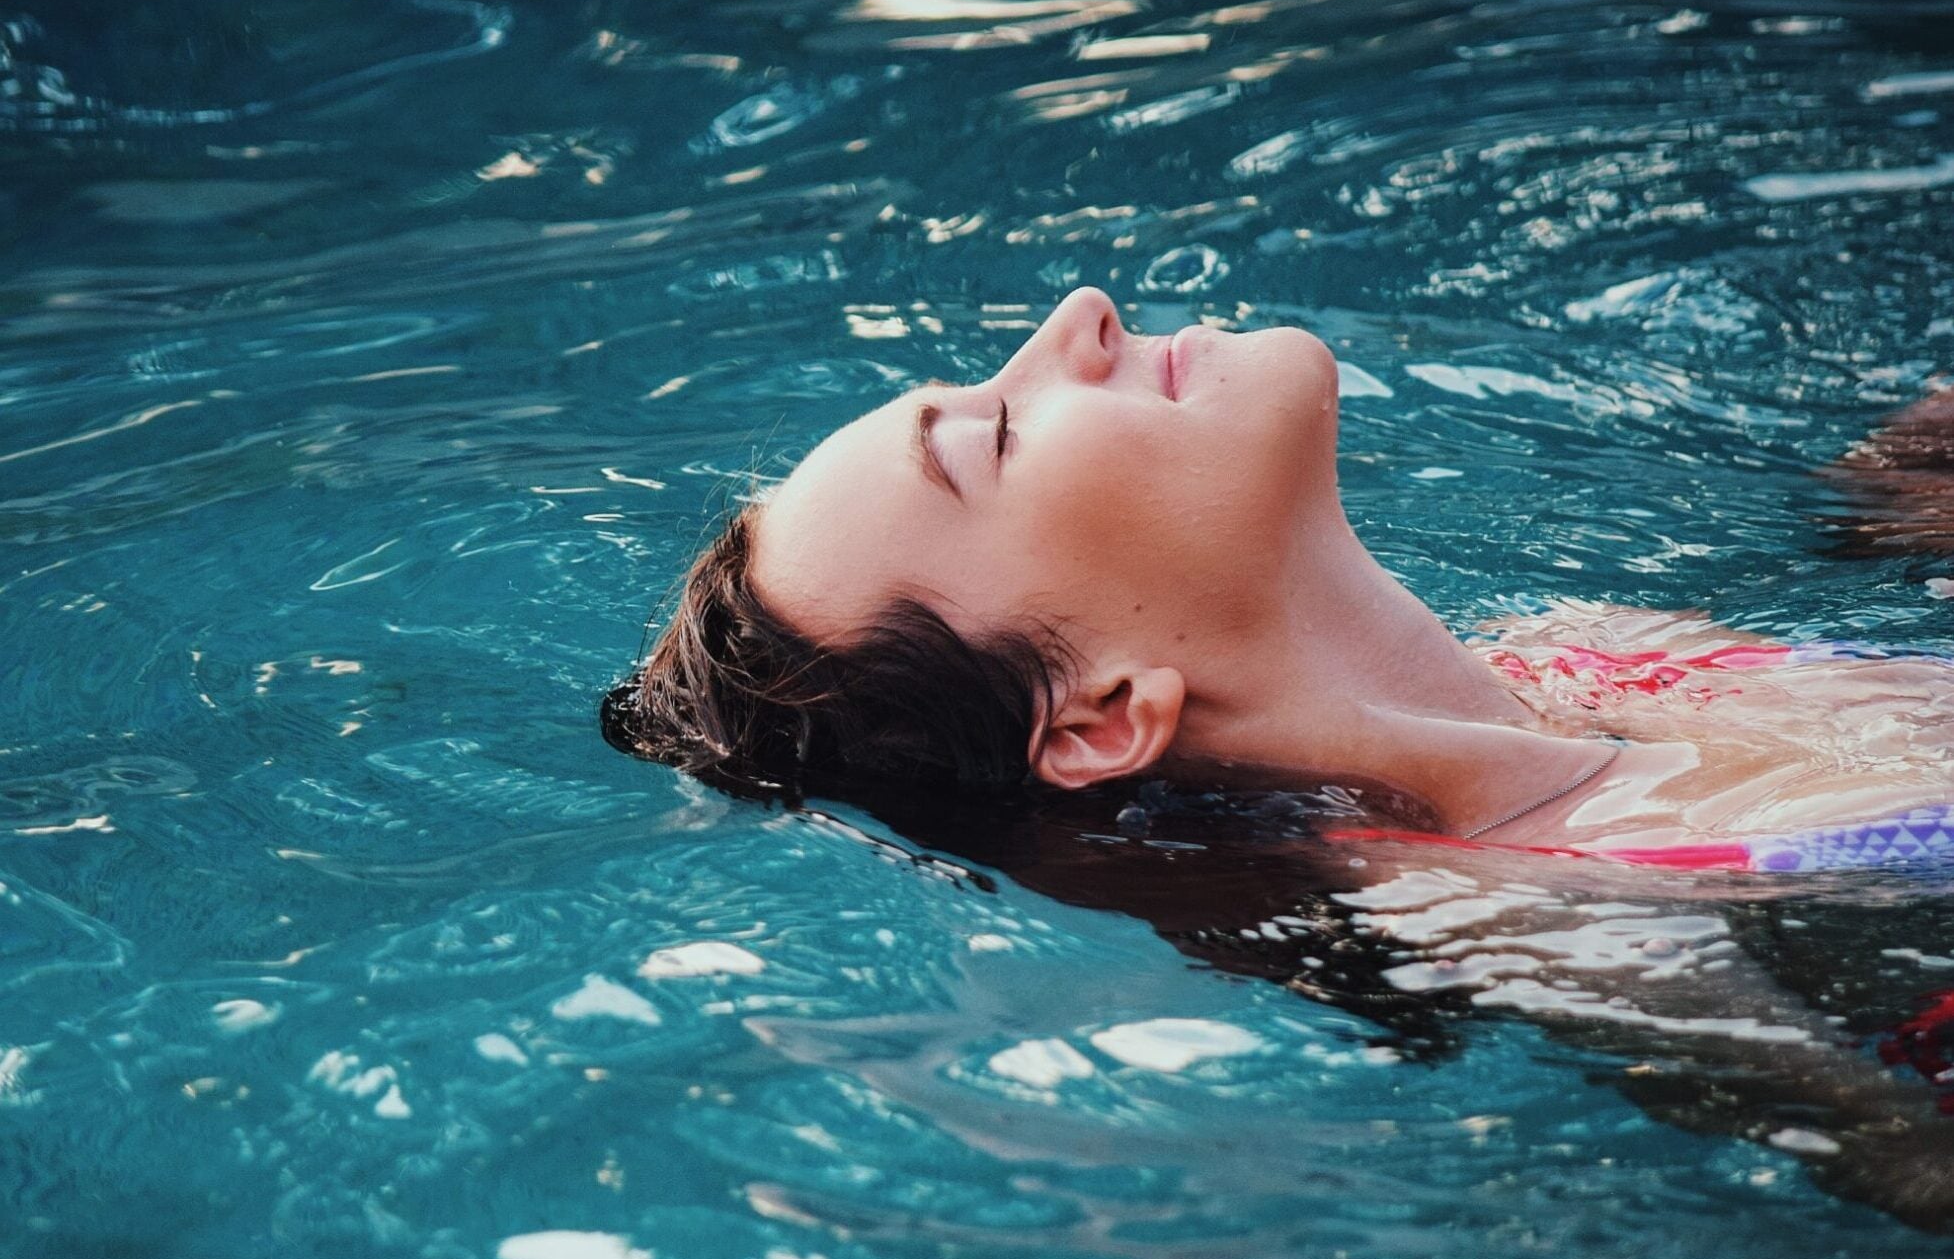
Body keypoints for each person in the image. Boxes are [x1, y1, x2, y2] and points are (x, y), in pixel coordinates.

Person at [602, 286, 1953, 872]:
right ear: (1093, 719)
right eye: (997, 435)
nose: (1079, 317)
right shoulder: (1547, 907)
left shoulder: (1583, 651)